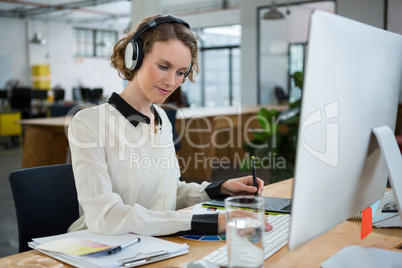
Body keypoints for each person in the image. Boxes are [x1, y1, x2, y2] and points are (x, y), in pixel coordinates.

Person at [67, 14, 272, 236]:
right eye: (163, 66)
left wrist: (218, 188)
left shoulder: (162, 118)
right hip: (102, 249)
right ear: (134, 58)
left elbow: (168, 193)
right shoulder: (89, 124)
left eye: (181, 72)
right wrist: (206, 222)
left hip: (158, 244)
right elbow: (105, 216)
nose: (172, 82)